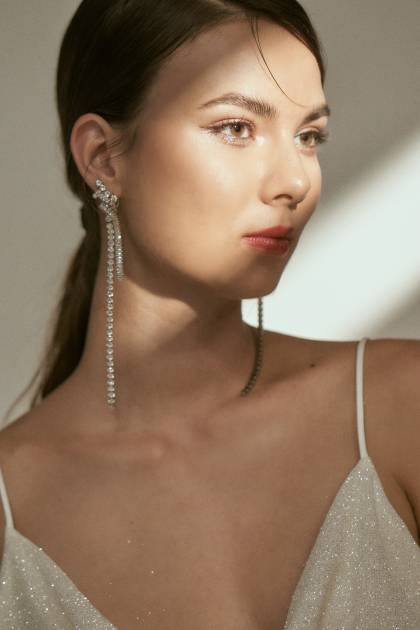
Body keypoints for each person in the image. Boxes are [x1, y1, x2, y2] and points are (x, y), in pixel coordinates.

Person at [0, 1, 419, 628]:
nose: (294, 181)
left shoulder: (399, 407)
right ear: (103, 157)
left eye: (308, 136)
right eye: (235, 128)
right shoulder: (12, 504)